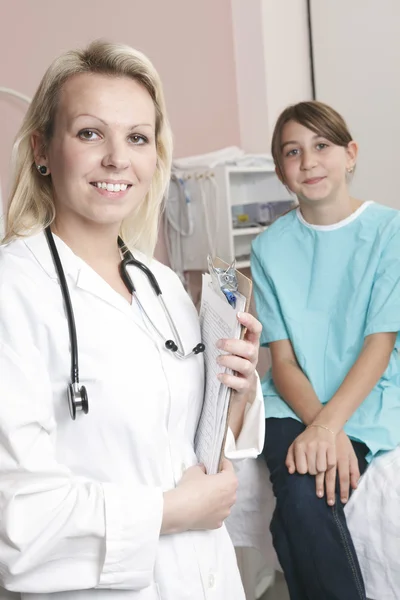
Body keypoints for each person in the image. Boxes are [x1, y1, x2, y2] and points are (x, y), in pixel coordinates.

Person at [0, 40, 264, 600]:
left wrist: (235, 393)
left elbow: (194, 452)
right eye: (91, 133)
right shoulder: (12, 290)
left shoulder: (163, 285)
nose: (118, 158)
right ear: (41, 149)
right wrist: (171, 512)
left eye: (138, 138)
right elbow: (16, 524)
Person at [251, 100, 400, 600]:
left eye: (321, 146)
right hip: (293, 402)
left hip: (367, 396)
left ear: (350, 154)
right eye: (293, 152)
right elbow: (284, 362)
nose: (309, 161)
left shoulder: (389, 232)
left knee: (302, 500)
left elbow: (379, 347)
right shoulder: (269, 248)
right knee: (299, 491)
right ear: (281, 171)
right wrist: (318, 424)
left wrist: (332, 426)